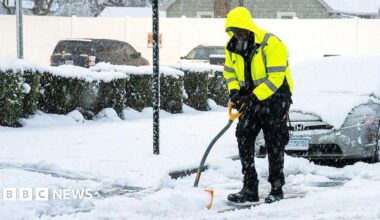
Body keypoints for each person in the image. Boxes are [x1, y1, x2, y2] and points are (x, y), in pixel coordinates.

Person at [223, 7, 294, 204]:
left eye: (241, 30)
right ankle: (249, 187)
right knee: (243, 136)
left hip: (275, 98)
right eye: (234, 31)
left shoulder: (271, 44)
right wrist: (235, 92)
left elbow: (275, 79)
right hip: (249, 99)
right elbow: (229, 72)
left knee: (274, 141)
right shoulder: (232, 47)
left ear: (249, 27)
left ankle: (277, 188)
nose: (238, 34)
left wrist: (254, 97)